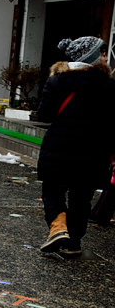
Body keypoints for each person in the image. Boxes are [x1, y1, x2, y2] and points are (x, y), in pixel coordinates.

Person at [35, 36, 115, 258]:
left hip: (58, 147)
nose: (105, 56)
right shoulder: (109, 85)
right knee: (81, 197)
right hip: (93, 152)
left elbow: (45, 115)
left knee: (52, 189)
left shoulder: (57, 81)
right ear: (93, 56)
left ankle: (58, 228)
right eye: (102, 52)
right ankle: (74, 242)